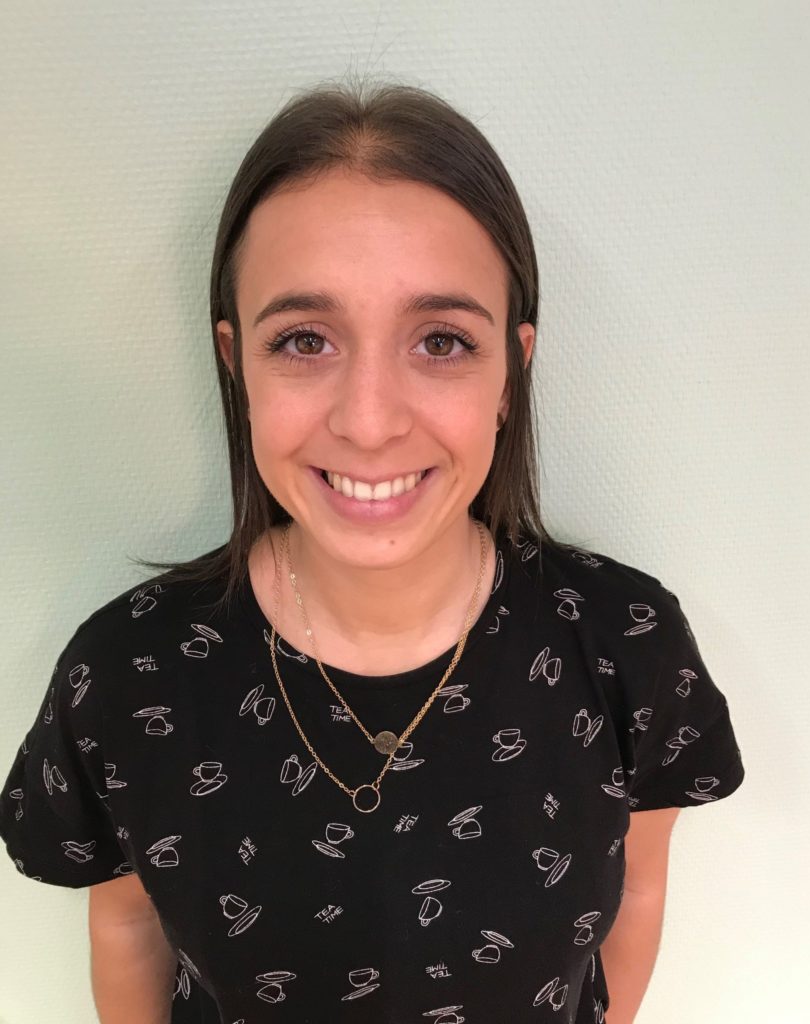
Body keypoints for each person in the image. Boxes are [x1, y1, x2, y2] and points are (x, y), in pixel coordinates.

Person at [0, 74, 746, 1024]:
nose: (369, 421)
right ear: (236, 363)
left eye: (441, 341)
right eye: (304, 340)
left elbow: (637, 889)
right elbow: (126, 926)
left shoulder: (625, 645)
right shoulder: (125, 677)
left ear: (511, 371)